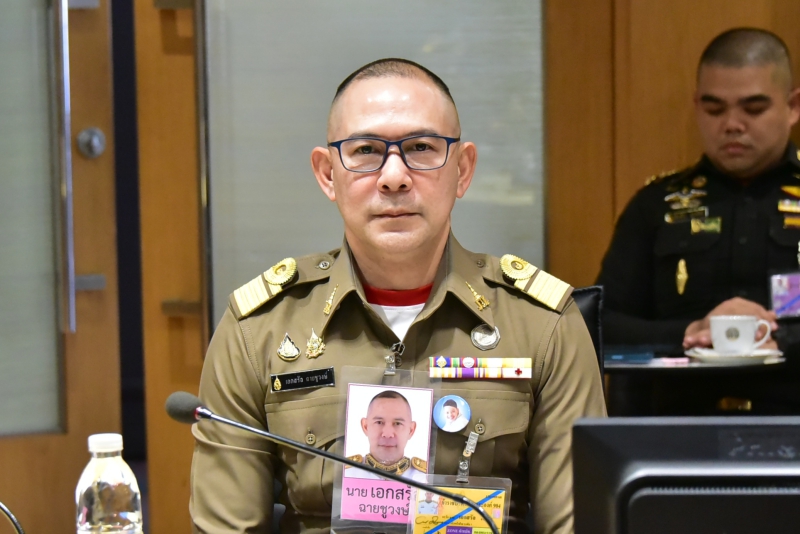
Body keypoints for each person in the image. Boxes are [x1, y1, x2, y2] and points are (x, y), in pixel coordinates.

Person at [190, 58, 605, 534]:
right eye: (366, 150)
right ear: (327, 174)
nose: (393, 176)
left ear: (462, 169)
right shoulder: (258, 330)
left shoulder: (543, 326)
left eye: (421, 148)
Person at [597, 28, 800, 414]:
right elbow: (600, 323)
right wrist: (691, 332)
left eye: (753, 109)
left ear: (793, 107)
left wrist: (782, 338)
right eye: (714, 109)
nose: (732, 124)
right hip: (678, 428)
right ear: (696, 106)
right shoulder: (656, 205)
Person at [346, 390, 427, 482]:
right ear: (365, 426)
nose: (388, 434)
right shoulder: (345, 473)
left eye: (397, 423)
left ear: (411, 430)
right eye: (379, 422)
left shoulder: (425, 478)